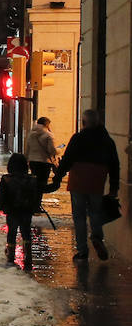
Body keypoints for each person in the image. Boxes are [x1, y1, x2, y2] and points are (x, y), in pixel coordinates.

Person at [52, 109, 119, 262]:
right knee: (95, 212)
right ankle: (97, 237)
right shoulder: (107, 140)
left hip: (78, 180)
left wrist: (58, 176)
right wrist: (114, 187)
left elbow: (67, 159)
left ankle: (82, 250)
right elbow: (115, 164)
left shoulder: (78, 138)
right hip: (97, 180)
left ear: (84, 123)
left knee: (79, 216)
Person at [0, 152, 45, 270]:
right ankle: (28, 255)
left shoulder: (6, 179)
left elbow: (1, 196)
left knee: (11, 232)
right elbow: (35, 195)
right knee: (26, 232)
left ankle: (10, 255)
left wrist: (2, 207)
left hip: (12, 210)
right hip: (26, 210)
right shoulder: (32, 180)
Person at [25, 116, 58, 183]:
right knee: (42, 182)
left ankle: (35, 192)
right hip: (44, 162)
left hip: (33, 161)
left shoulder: (30, 134)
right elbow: (52, 150)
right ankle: (39, 193)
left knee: (35, 181)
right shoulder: (49, 135)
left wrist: (26, 160)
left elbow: (27, 149)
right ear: (47, 124)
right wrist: (59, 150)